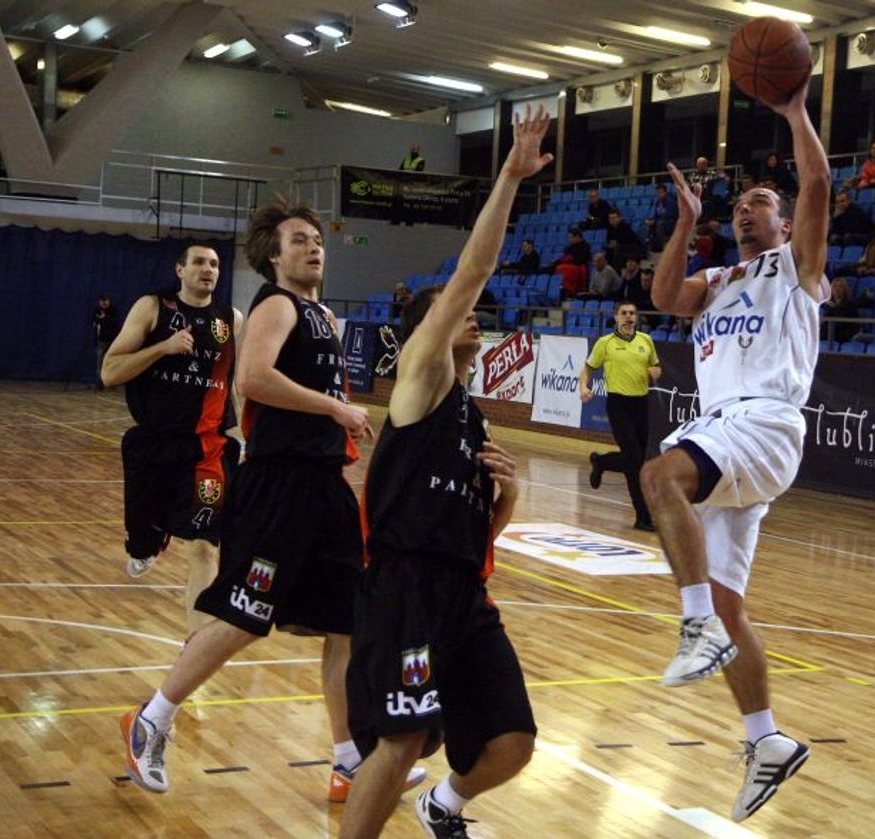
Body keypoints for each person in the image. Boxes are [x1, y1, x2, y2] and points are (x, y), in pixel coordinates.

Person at [116, 204, 426, 803]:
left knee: (347, 625)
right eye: (300, 241)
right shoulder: (276, 304)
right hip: (278, 485)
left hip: (325, 487)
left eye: (318, 240)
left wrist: (338, 421)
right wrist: (336, 408)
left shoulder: (321, 317)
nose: (315, 248)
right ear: (273, 256)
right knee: (243, 616)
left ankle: (348, 760)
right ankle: (151, 719)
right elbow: (252, 380)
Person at [339, 104, 551, 839]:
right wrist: (511, 177)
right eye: (450, 309)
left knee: (514, 743)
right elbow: (473, 270)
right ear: (425, 328)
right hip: (404, 587)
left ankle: (447, 804)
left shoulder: (474, 414)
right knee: (399, 744)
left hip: (464, 591)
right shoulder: (421, 381)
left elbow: (479, 531)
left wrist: (510, 496)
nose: (470, 312)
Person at [641, 76, 827, 823]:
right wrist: (687, 221)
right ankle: (767, 737)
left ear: (784, 225)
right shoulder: (718, 279)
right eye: (741, 203)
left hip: (765, 422)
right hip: (731, 428)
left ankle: (694, 630)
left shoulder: (797, 269)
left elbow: (815, 178)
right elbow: (661, 297)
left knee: (659, 476)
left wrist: (793, 110)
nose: (748, 209)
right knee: (729, 603)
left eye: (762, 204)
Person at [100, 244, 242, 634]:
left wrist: (248, 438)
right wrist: (163, 347)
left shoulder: (232, 320)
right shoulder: (153, 307)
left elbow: (241, 386)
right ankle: (150, 540)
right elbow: (110, 372)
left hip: (208, 449)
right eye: (198, 262)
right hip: (154, 443)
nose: (208, 269)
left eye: (214, 264)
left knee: (203, 546)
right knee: (140, 549)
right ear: (180, 269)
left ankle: (196, 645)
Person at [580, 301, 662, 532]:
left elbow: (655, 367)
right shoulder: (605, 343)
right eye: (624, 313)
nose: (628, 317)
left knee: (637, 463)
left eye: (632, 313)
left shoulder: (646, 341)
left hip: (641, 404)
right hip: (618, 404)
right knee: (635, 461)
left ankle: (602, 461)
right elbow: (587, 368)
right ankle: (643, 517)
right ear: (616, 317)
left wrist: (655, 371)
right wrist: (583, 387)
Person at [91, 295, 120, 390]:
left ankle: (112, 384)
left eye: (105, 301)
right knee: (99, 363)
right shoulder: (97, 310)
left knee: (112, 362)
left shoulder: (113, 310)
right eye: (102, 302)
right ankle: (99, 385)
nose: (104, 303)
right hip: (101, 341)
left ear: (108, 301)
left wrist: (105, 318)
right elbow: (93, 322)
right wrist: (97, 321)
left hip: (112, 341)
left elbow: (115, 322)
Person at [645, 182, 679, 251]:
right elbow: (656, 214)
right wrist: (651, 220)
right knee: (649, 223)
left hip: (672, 222)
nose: (659, 194)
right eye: (657, 192)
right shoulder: (658, 202)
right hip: (662, 220)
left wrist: (655, 221)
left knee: (660, 224)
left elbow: (668, 215)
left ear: (665, 192)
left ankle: (660, 246)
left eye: (660, 192)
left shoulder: (670, 201)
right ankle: (652, 245)